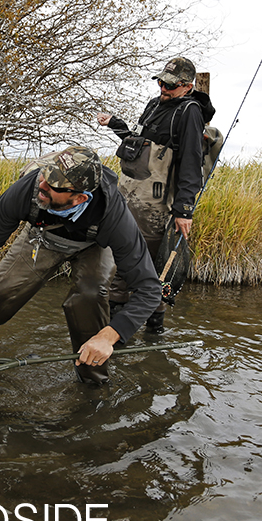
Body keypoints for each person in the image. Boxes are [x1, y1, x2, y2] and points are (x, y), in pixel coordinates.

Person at [0, 146, 161, 385]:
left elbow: (149, 289)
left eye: (52, 186)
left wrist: (111, 335)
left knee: (91, 296)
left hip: (93, 246)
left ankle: (92, 380)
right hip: (42, 238)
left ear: (80, 198)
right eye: (44, 177)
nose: (41, 185)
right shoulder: (28, 188)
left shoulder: (115, 216)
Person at [95, 56, 217, 333]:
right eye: (162, 82)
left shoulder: (190, 112)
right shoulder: (154, 105)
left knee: (147, 265)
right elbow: (137, 138)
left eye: (171, 86)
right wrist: (115, 123)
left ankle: (152, 329)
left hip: (157, 204)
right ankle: (115, 325)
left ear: (187, 87)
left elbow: (190, 163)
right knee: (121, 256)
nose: (164, 89)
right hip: (129, 195)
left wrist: (184, 211)